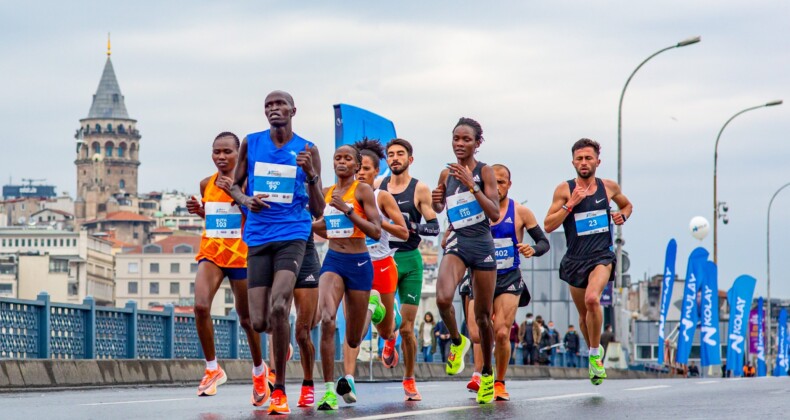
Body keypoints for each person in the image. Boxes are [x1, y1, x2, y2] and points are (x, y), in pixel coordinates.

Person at [230, 90, 324, 414]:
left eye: (279, 104)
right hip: (258, 236)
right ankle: (280, 340)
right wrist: (245, 200)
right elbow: (233, 184)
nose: (273, 109)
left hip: (293, 234)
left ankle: (280, 390)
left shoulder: (308, 149)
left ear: (293, 110)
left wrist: (311, 174)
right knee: (259, 322)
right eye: (268, 105)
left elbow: (318, 209)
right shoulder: (251, 143)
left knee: (281, 305)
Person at [455, 163, 550, 399]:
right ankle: (481, 373)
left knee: (501, 332)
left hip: (508, 278)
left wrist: (532, 249)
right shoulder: (474, 209)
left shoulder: (520, 212)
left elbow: (544, 242)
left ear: (509, 184)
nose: (497, 187)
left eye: (502, 182)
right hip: (479, 277)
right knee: (477, 333)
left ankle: (498, 382)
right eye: (493, 182)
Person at [544, 138, 633, 386]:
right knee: (584, 317)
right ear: (573, 162)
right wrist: (570, 204)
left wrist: (621, 215)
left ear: (597, 161)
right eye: (579, 158)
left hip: (601, 256)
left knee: (593, 299)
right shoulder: (564, 189)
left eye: (588, 158)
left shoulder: (609, 187)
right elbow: (548, 225)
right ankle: (593, 349)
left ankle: (595, 355)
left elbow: (627, 205)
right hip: (575, 259)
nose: (584, 162)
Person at [186, 132, 265, 401]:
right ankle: (212, 369)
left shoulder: (247, 182)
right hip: (212, 252)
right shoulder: (205, 183)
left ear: (238, 153)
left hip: (241, 255)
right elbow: (214, 214)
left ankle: (258, 370)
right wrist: (199, 209)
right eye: (216, 152)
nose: (221, 157)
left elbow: (256, 212)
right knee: (200, 306)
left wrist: (235, 192)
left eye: (227, 152)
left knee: (247, 319)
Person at [432, 117, 500, 404]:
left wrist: (472, 187)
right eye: (456, 139)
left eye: (466, 140)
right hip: (458, 242)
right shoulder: (446, 175)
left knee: (483, 317)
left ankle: (486, 373)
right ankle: (457, 342)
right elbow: (439, 206)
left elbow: (494, 212)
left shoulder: (486, 172)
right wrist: (437, 200)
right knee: (443, 299)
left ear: (477, 143)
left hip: (481, 243)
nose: (460, 144)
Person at [312, 144, 382, 411]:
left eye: (347, 159)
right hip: (333, 261)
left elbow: (375, 231)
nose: (341, 162)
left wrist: (348, 211)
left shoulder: (363, 191)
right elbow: (322, 225)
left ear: (356, 165)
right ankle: (329, 390)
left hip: (360, 262)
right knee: (328, 319)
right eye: (337, 158)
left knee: (353, 339)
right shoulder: (326, 193)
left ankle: (372, 305)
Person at [340, 139, 409, 403]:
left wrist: (381, 222)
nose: (360, 173)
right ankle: (348, 380)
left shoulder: (382, 197)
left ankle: (392, 321)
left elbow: (404, 233)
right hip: (355, 264)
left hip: (382, 266)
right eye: (358, 168)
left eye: (366, 169)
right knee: (353, 326)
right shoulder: (343, 196)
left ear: (375, 172)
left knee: (386, 330)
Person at [379, 138, 440, 401]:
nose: (394, 158)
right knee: (386, 319)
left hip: (411, 259)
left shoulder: (419, 189)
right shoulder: (378, 188)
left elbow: (434, 227)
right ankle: (388, 338)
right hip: (385, 258)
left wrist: (410, 228)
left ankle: (410, 378)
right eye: (390, 154)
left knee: (407, 328)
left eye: (400, 154)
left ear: (410, 159)